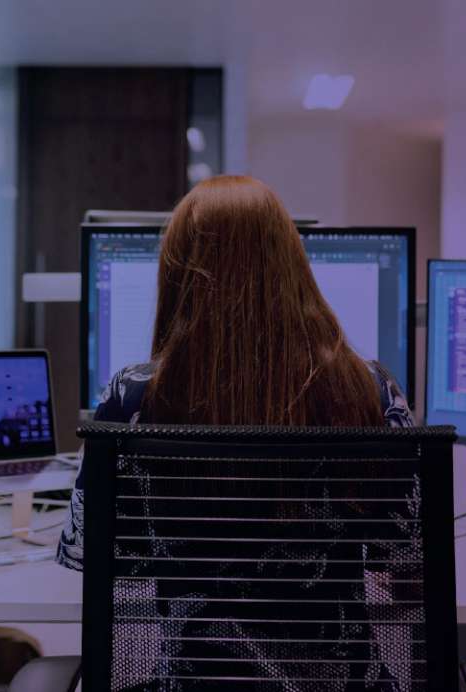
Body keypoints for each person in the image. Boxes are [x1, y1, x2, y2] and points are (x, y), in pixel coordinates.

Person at [57, 175, 413, 571]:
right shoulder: (371, 388)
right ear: (294, 266)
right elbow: (409, 564)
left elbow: (86, 552)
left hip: (193, 635)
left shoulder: (132, 395)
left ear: (178, 277)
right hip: (330, 632)